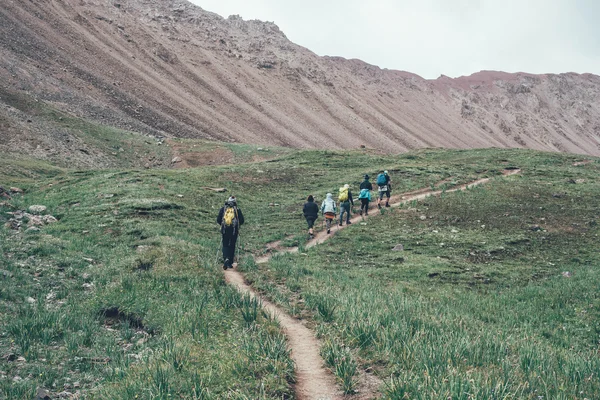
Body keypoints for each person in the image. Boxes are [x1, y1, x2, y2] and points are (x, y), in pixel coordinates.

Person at [216, 196, 245, 270]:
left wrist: (222, 226)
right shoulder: (237, 210)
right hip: (233, 230)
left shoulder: (223, 209)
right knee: (232, 245)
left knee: (225, 244)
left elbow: (218, 219)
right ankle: (230, 262)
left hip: (225, 230)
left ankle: (225, 258)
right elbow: (241, 220)